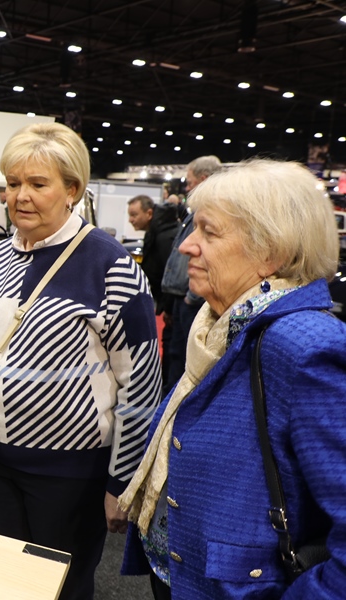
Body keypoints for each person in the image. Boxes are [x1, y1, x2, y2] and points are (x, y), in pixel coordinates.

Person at [0, 122, 161, 600]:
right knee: (4, 580)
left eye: (38, 184)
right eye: (12, 183)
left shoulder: (111, 266)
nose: (20, 196)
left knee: (62, 586)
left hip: (70, 473)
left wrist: (122, 480)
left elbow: (141, 384)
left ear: (72, 190)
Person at [120, 159, 346, 599]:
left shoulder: (306, 348)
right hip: (185, 575)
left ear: (271, 252)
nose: (187, 245)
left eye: (209, 232)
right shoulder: (221, 326)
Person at [160, 155, 221, 397]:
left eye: (190, 182)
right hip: (183, 298)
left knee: (185, 361)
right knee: (175, 355)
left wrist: (193, 296)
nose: (187, 188)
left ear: (203, 179)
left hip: (192, 300)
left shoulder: (213, 211)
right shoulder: (197, 211)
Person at [129, 194, 179, 387]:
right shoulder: (157, 233)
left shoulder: (163, 237)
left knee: (172, 348)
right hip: (166, 302)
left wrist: (168, 306)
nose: (131, 220)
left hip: (171, 304)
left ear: (149, 213)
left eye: (134, 214)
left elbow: (170, 272)